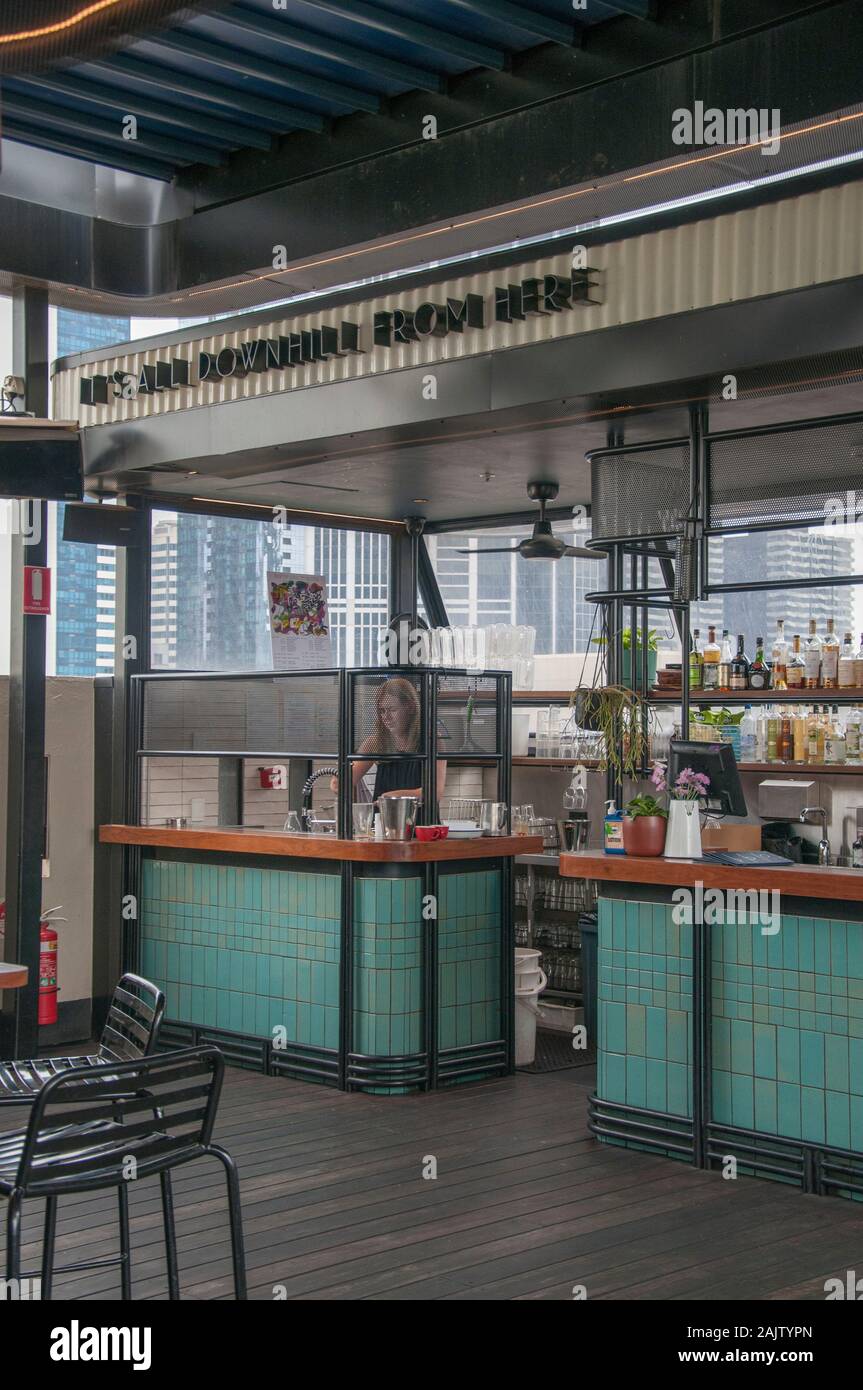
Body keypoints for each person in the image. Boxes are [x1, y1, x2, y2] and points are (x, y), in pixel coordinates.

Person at [330, 676, 447, 804]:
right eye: (382, 711)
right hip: (383, 822)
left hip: (421, 823)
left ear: (411, 708)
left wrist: (390, 798)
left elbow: (434, 793)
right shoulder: (376, 742)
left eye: (392, 709)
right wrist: (339, 780)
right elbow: (343, 783)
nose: (386, 717)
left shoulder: (431, 741)